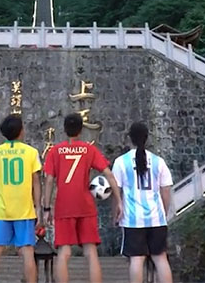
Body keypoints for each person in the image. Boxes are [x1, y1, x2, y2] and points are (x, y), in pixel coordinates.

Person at [42, 113, 122, 283]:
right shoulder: (89, 149)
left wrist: (46, 208)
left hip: (64, 206)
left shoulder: (55, 151)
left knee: (64, 252)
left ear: (64, 129)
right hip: (85, 205)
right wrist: (119, 200)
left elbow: (49, 180)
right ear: (81, 129)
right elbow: (109, 174)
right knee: (91, 252)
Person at [0, 114, 43, 283]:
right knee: (27, 252)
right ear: (20, 131)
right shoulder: (31, 152)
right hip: (24, 210)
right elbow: (36, 182)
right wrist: (38, 207)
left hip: (0, 210)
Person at [112, 122, 174, 283]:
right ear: (147, 138)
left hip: (133, 220)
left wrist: (116, 214)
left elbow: (116, 192)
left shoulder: (121, 162)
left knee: (136, 259)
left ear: (129, 138)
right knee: (161, 259)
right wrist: (164, 212)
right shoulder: (158, 161)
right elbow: (166, 190)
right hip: (157, 218)